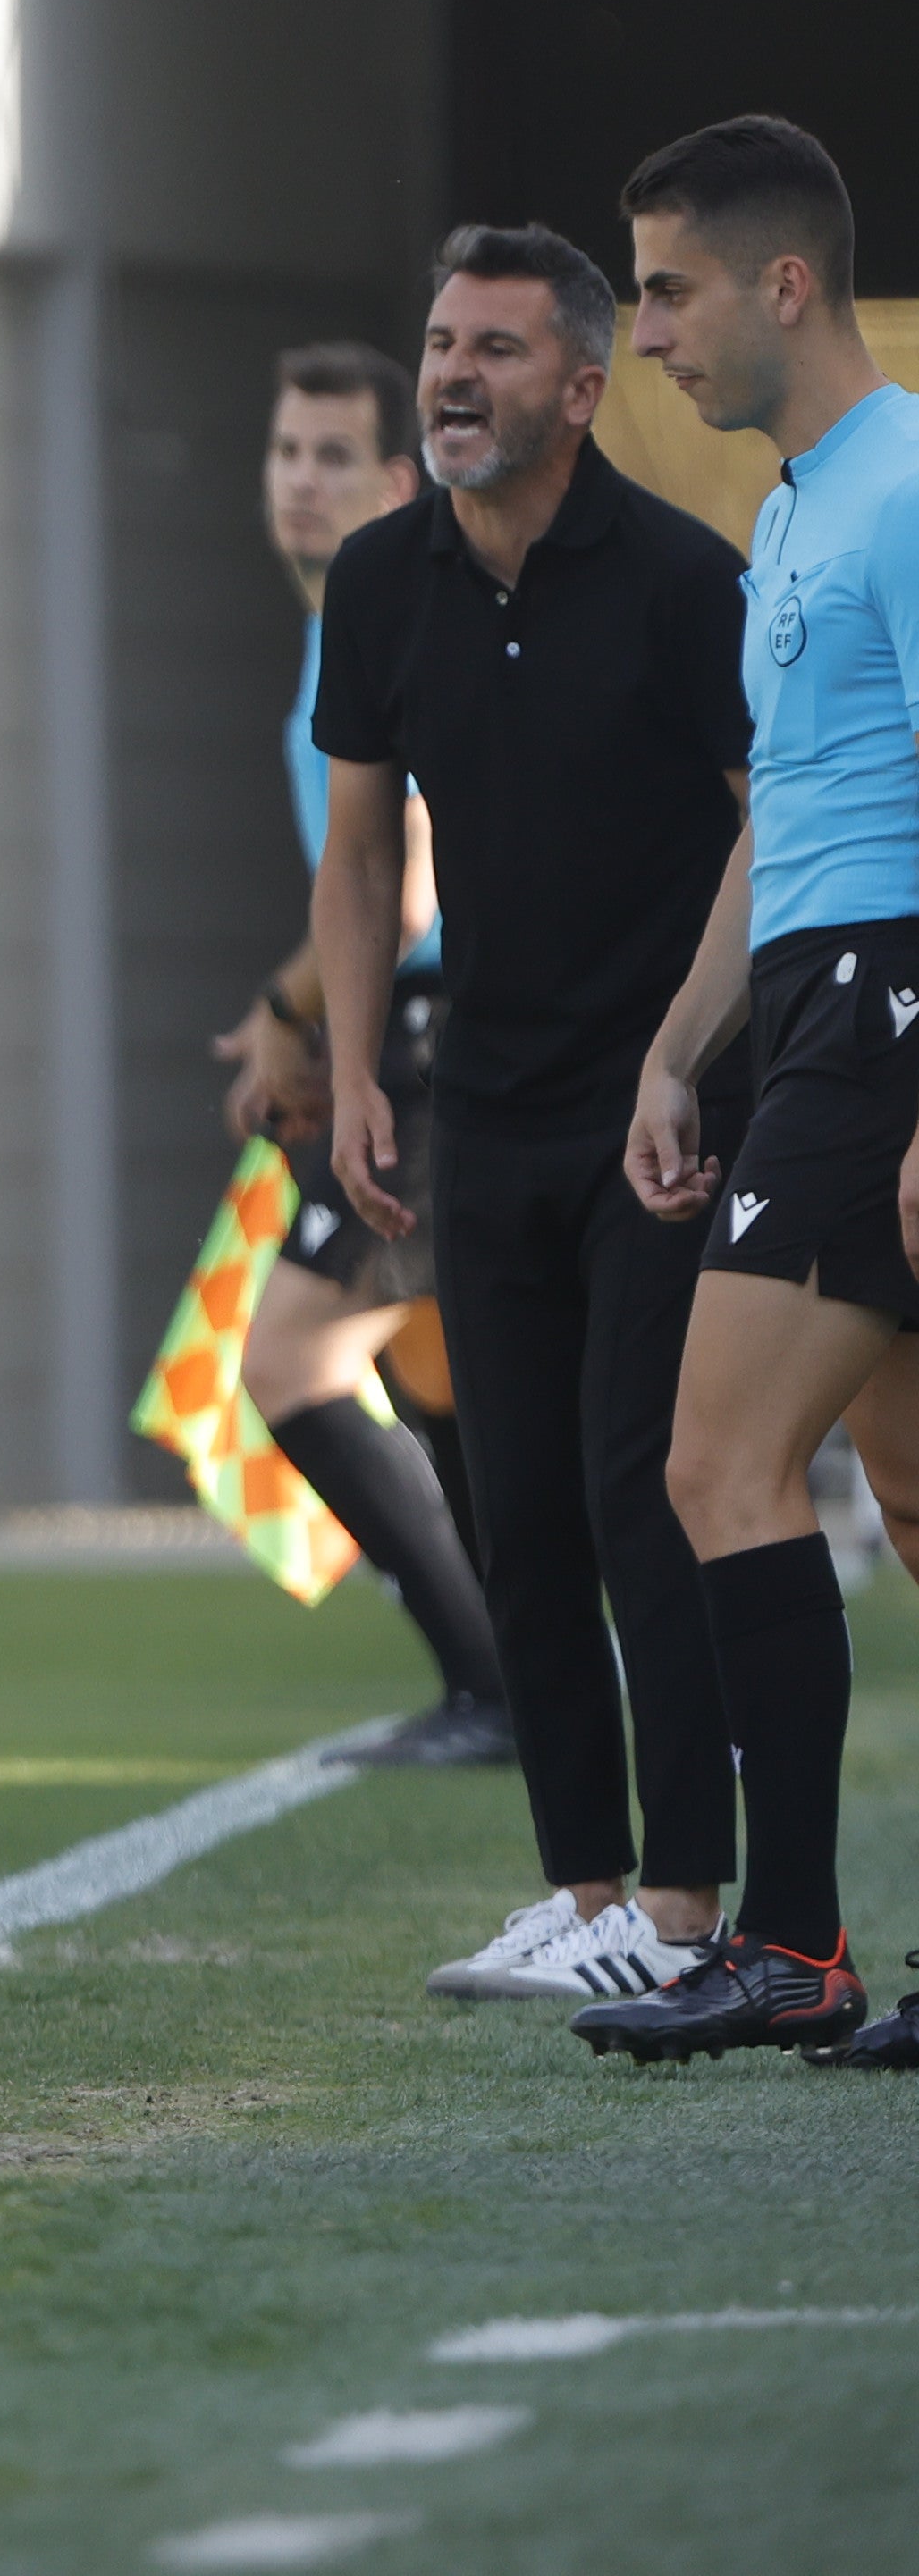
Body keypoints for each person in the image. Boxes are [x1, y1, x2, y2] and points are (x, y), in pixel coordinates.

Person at [311, 223, 756, 2017]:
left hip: (660, 1110)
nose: (449, 376)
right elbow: (356, 847)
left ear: (582, 385)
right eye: (437, 342)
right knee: (518, 1512)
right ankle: (582, 1888)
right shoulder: (378, 576)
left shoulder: (676, 578)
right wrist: (355, 1065)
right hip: (474, 1106)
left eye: (494, 347)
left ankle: (686, 1897)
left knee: (637, 1488)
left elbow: (768, 818)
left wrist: (692, 1045)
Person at [576, 123, 919, 2064]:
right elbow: (785, 819)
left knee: (716, 1461)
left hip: (896, 1005)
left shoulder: (910, 483)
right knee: (917, 1500)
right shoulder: (797, 507)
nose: (648, 337)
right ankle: (808, 1944)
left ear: (786, 283)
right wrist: (677, 1047)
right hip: (818, 1000)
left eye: (669, 287)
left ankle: (791, 1940)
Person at [208, 335, 517, 1766]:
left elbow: (405, 887)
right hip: (420, 1030)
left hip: (439, 1035)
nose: (301, 481)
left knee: (286, 1362)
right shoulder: (353, 622)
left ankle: (497, 1688)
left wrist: (293, 1022)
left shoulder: (387, 617)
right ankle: (528, 1676)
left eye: (335, 455)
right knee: (446, 1373)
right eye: (285, 451)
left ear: (401, 477)